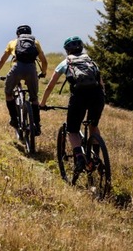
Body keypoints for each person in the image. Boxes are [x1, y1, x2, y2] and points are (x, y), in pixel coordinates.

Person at [40, 36, 105, 172]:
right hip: (97, 96)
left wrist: (43, 103)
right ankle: (96, 158)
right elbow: (101, 84)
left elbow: (50, 86)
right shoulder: (90, 61)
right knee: (93, 125)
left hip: (79, 97)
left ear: (67, 50)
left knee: (72, 130)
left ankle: (80, 158)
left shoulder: (66, 62)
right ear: (81, 47)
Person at [0, 24, 49, 136]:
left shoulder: (12, 43)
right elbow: (44, 61)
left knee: (8, 94)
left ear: (17, 34)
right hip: (31, 70)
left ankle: (14, 119)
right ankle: (36, 124)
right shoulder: (35, 42)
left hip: (16, 69)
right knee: (34, 99)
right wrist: (43, 73)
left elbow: (1, 61)